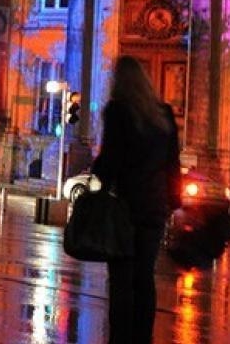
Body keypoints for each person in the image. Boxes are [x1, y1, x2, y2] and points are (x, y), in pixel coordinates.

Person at [90, 56, 179, 344]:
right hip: (154, 208)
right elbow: (172, 165)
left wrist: (98, 173)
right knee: (144, 277)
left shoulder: (118, 111)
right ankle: (143, 337)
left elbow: (111, 159)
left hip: (125, 206)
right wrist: (173, 202)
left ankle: (120, 338)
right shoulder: (164, 114)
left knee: (121, 279)